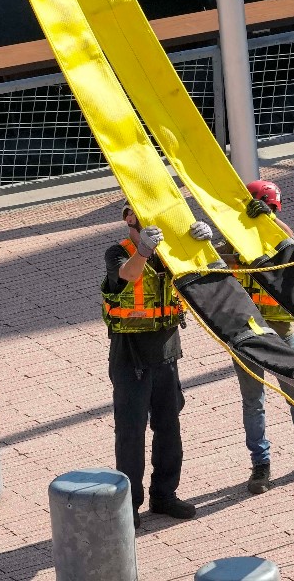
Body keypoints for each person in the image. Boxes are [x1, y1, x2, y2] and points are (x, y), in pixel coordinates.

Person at [190, 179, 294, 495]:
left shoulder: (279, 238)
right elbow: (208, 258)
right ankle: (261, 465)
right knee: (253, 401)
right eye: (265, 208)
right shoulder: (230, 243)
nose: (268, 214)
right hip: (246, 332)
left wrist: (271, 221)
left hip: (282, 331)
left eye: (272, 210)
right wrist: (198, 238)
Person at [103, 204, 197, 522]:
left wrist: (206, 242)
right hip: (131, 361)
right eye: (135, 215)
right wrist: (143, 250)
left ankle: (164, 495)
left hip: (167, 356)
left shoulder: (172, 252)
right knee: (131, 434)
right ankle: (128, 505)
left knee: (169, 429)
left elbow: (211, 265)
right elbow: (128, 274)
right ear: (128, 219)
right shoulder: (118, 252)